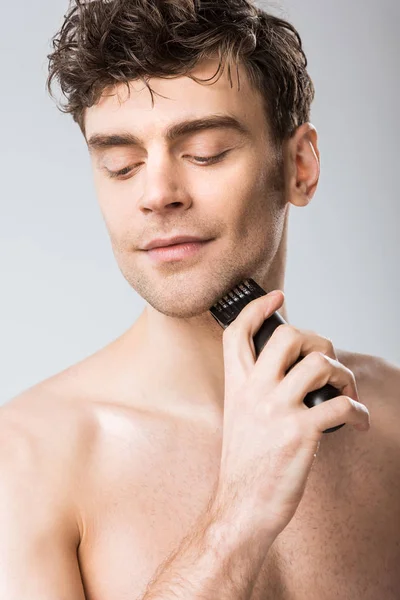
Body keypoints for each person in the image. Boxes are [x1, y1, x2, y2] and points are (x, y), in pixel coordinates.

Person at [1, 0, 399, 598]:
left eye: (206, 152)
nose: (157, 194)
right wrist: (238, 515)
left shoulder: (392, 418)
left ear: (300, 166)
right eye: (121, 164)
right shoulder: (25, 462)